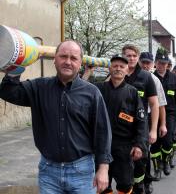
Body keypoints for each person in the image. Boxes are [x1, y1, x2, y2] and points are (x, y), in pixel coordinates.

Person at [0, 40, 113, 194]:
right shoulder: (39, 87)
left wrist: (103, 169)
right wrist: (18, 63)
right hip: (49, 172)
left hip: (82, 172)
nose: (67, 62)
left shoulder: (92, 93)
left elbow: (103, 132)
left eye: (73, 58)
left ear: (80, 63)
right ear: (54, 59)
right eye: (63, 56)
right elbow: (8, 92)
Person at [95, 55, 148, 194]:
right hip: (100, 146)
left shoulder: (133, 93)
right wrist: (88, 71)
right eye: (115, 66)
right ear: (109, 68)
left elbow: (141, 122)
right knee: (102, 185)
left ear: (127, 70)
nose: (118, 69)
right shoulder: (97, 89)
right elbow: (78, 90)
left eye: (122, 66)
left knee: (125, 184)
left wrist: (139, 144)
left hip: (124, 147)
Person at [122, 45, 159, 194]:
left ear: (137, 58)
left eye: (133, 55)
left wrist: (154, 130)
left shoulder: (146, 77)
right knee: (124, 164)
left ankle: (141, 184)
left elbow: (154, 104)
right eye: (127, 55)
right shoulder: (117, 73)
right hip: (121, 127)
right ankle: (132, 186)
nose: (131, 58)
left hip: (140, 127)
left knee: (140, 161)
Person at [152, 52, 176, 177]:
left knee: (167, 141)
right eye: (159, 63)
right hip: (154, 113)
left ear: (168, 65)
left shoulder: (175, 79)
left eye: (164, 63)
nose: (162, 65)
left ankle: (166, 161)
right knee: (155, 142)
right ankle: (157, 169)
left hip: (170, 113)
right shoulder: (150, 78)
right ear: (155, 63)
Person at [139, 52, 168, 191]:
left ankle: (147, 181)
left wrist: (161, 125)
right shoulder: (128, 76)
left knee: (144, 152)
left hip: (147, 119)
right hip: (129, 120)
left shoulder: (154, 80)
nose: (145, 65)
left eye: (148, 63)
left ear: (152, 64)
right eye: (143, 62)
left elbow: (160, 105)